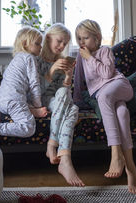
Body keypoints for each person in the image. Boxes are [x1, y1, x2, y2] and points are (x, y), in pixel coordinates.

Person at [73, 19, 136, 194]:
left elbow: (107, 73)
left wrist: (90, 58)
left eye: (86, 38)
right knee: (121, 114)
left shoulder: (104, 51)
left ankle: (115, 154)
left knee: (104, 96)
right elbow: (78, 80)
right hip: (105, 96)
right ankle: (131, 169)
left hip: (120, 86)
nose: (82, 42)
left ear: (97, 38)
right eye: (79, 38)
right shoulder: (80, 56)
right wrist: (76, 102)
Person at [37, 23, 85, 187]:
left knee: (73, 108)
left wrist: (68, 76)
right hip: (41, 99)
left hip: (58, 99)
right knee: (70, 106)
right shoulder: (36, 58)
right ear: (48, 38)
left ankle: (64, 157)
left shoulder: (61, 60)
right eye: (59, 41)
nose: (62, 46)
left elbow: (62, 90)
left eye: (65, 43)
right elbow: (36, 89)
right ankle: (53, 146)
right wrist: (51, 72)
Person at [0, 26, 48, 139]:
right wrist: (38, 106)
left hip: (1, 100)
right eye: (37, 44)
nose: (40, 47)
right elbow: (34, 84)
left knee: (25, 99)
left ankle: (31, 110)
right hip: (13, 100)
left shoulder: (17, 58)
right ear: (25, 43)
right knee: (28, 128)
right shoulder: (29, 58)